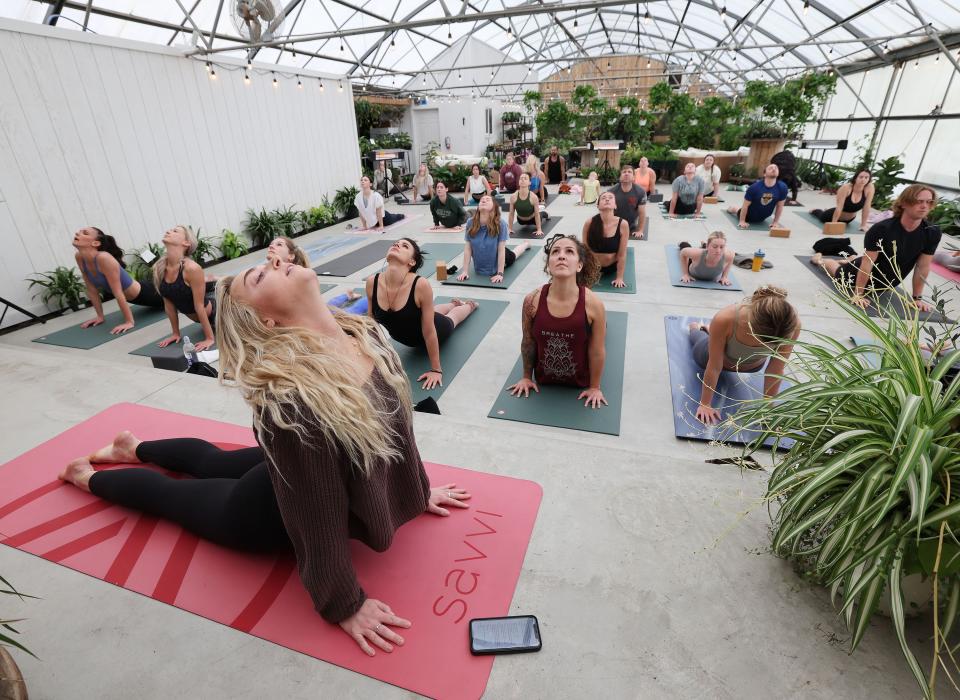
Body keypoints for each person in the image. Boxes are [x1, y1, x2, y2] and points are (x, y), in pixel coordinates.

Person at [58, 255, 472, 657]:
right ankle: (85, 476)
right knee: (172, 497)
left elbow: (398, 431)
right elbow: (316, 513)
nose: (277, 261)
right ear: (266, 321)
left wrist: (416, 491)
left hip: (300, 472)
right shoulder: (294, 405)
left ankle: (133, 448)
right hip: (266, 513)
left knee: (215, 462)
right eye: (260, 277)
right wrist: (344, 603)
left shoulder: (366, 335)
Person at [509, 234, 607, 408]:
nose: (561, 255)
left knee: (600, 330)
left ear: (579, 265)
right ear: (549, 265)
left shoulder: (594, 304)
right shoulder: (532, 300)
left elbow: (597, 351)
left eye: (569, 251)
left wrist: (595, 387)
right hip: (544, 380)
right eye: (555, 252)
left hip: (579, 382)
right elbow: (528, 341)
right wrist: (526, 377)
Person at [366, 238, 478, 389]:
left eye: (404, 246)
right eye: (395, 243)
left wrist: (436, 369)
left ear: (411, 262)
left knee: (451, 318)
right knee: (429, 313)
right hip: (411, 328)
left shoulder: (420, 285)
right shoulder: (372, 282)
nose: (397, 245)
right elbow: (371, 323)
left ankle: (469, 305)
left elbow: (430, 330)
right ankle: (453, 303)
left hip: (436, 330)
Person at [810, 184, 941, 312]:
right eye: (919, 201)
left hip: (887, 282)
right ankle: (821, 260)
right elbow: (868, 262)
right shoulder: (881, 229)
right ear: (904, 203)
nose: (924, 206)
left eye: (929, 202)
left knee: (862, 260)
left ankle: (850, 259)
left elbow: (922, 266)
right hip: (859, 273)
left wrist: (917, 298)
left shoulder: (932, 232)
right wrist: (858, 294)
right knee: (837, 272)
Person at [688, 286, 800, 424]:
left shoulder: (791, 325)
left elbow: (775, 369)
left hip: (752, 366)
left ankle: (712, 331)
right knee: (697, 338)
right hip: (708, 358)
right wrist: (705, 404)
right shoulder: (725, 318)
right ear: (751, 324)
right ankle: (698, 328)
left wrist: (768, 410)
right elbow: (714, 366)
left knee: (718, 336)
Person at [73, 226, 162, 334]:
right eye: (80, 232)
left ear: (95, 243)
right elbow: (91, 289)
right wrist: (100, 317)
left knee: (180, 296)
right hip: (138, 297)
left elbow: (118, 292)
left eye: (85, 233)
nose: (78, 233)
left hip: (150, 293)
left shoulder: (104, 258)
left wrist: (129, 321)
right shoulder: (79, 257)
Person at [154, 225, 216, 351]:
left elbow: (199, 306)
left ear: (186, 243)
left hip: (219, 313)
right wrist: (175, 333)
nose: (168, 231)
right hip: (205, 318)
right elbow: (169, 305)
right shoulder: (159, 268)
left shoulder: (191, 268)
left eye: (175, 231)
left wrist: (209, 338)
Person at [266, 236, 365, 312]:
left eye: (279, 244)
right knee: (328, 307)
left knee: (350, 313)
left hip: (310, 317)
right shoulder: (266, 275)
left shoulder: (299, 275)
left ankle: (371, 297)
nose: (271, 246)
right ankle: (347, 295)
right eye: (271, 244)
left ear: (291, 256)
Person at [456, 195, 530, 285]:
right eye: (482, 200)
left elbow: (501, 250)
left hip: (500, 254)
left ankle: (526, 244)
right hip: (482, 257)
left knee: (514, 254)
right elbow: (468, 248)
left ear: (494, 207)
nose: (484, 200)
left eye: (488, 200)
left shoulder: (500, 223)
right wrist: (465, 271)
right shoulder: (470, 222)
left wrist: (500, 273)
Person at [581, 191, 629, 288]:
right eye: (603, 198)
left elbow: (622, 254)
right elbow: (584, 250)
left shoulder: (623, 224)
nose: (607, 199)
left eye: (610, 197)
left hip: (611, 268)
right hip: (592, 267)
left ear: (615, 205)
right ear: (598, 206)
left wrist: (619, 277)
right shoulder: (589, 223)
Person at [810, 170, 874, 232]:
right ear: (855, 178)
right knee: (821, 216)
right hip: (832, 216)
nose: (863, 180)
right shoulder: (846, 188)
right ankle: (815, 210)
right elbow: (839, 207)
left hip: (849, 220)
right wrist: (833, 224)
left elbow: (867, 207)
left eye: (866, 177)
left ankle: (826, 210)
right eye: (861, 177)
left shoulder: (870, 188)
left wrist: (863, 225)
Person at [727, 164, 788, 229]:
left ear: (778, 173)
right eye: (770, 168)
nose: (774, 169)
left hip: (763, 217)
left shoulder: (782, 187)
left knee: (759, 218)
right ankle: (733, 208)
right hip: (749, 216)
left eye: (776, 168)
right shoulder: (754, 187)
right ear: (764, 174)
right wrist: (742, 221)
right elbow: (745, 205)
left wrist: (775, 222)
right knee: (735, 210)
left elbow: (780, 206)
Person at [608, 164, 648, 238]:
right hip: (615, 224)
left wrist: (640, 230)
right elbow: (607, 211)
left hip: (632, 225)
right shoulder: (611, 191)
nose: (626, 173)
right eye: (624, 172)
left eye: (629, 172)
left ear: (634, 177)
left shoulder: (641, 192)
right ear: (620, 177)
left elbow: (642, 213)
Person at [508, 173, 544, 237]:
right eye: (521, 178)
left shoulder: (534, 197)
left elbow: (536, 214)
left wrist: (539, 229)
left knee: (541, 214)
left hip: (533, 219)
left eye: (525, 179)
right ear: (518, 182)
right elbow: (511, 213)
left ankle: (545, 213)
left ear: (529, 182)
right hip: (521, 220)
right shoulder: (513, 196)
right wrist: (509, 228)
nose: (522, 180)